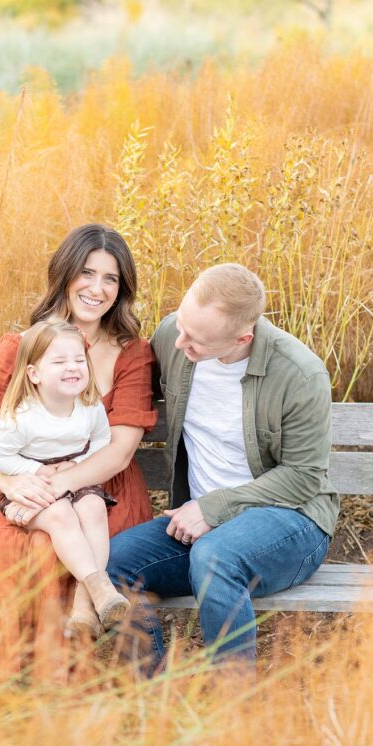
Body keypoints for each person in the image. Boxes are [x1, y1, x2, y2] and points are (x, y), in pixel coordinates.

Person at [0, 224, 156, 678]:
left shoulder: (132, 353)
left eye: (110, 279)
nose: (97, 289)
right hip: (29, 489)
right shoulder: (20, 349)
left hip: (104, 491)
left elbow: (116, 454)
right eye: (87, 273)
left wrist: (54, 484)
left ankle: (73, 664)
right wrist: (17, 485)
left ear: (122, 289)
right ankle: (6, 684)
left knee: (59, 538)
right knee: (18, 544)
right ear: (64, 274)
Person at [108, 262, 339, 670]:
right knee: (113, 562)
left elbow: (304, 478)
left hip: (292, 523)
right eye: (179, 326)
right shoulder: (172, 337)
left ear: (242, 337)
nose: (179, 344)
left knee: (216, 557)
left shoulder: (299, 375)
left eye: (195, 341)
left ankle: (232, 718)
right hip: (198, 524)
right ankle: (152, 699)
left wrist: (214, 508)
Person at [0, 318, 129, 634]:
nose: (73, 367)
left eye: (79, 360)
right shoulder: (21, 415)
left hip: (74, 478)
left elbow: (102, 442)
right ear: (34, 374)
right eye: (60, 361)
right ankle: (97, 587)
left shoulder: (89, 406)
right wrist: (37, 470)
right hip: (34, 487)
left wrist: (76, 465)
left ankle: (86, 602)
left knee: (93, 509)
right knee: (62, 516)